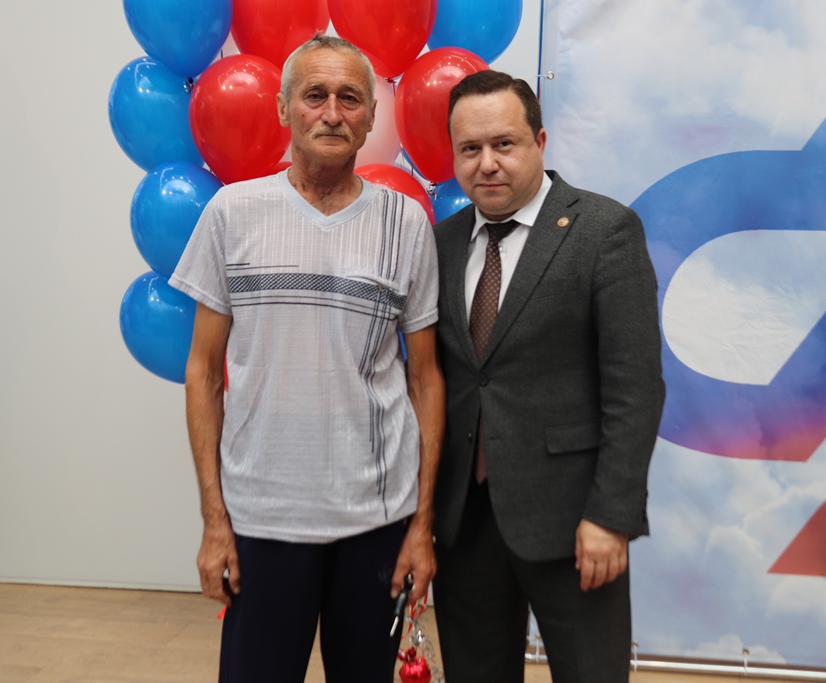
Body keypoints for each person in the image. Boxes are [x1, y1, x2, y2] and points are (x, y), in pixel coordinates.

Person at [169, 35, 444, 683]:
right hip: (262, 518)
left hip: (377, 520)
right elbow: (203, 373)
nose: (332, 113)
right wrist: (214, 520)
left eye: (350, 98)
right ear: (282, 108)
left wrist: (421, 526)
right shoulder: (232, 213)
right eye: (314, 95)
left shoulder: (406, 223)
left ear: (371, 116)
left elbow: (426, 379)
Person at [431, 70, 666, 683]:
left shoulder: (604, 231)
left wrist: (612, 516)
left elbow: (635, 389)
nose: (487, 163)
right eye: (470, 148)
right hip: (464, 522)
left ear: (539, 141)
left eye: (504, 144)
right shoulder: (442, 243)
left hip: (575, 524)